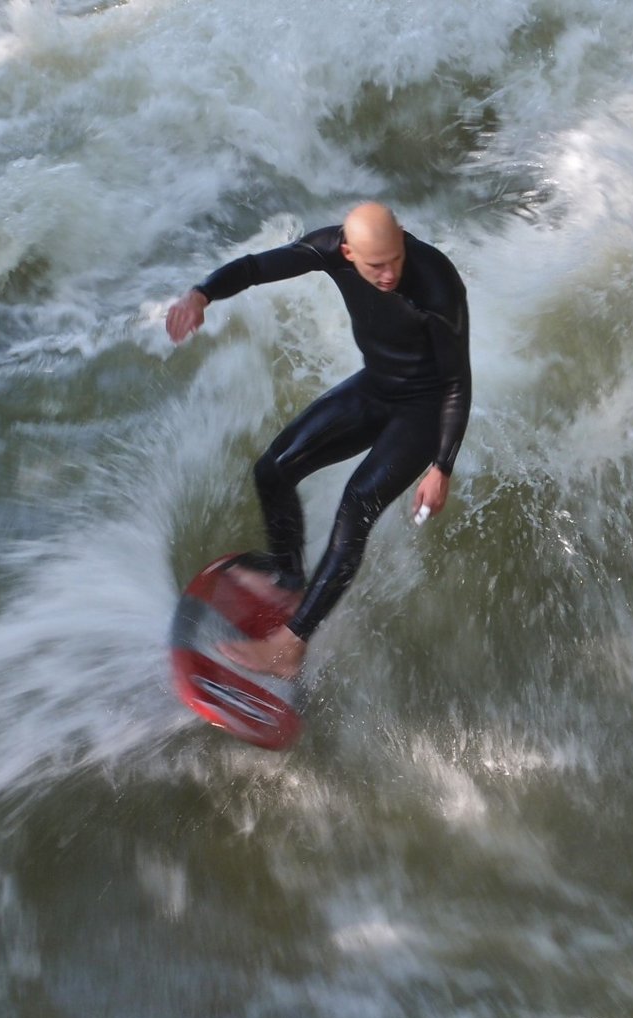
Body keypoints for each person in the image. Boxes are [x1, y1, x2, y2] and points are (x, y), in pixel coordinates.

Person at [165, 203, 471, 679]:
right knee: (274, 468)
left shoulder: (436, 284)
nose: (389, 274)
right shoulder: (330, 248)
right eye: (375, 265)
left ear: (404, 238)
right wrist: (202, 294)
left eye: (396, 258)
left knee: (357, 503)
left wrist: (442, 467)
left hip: (424, 411)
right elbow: (256, 267)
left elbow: (456, 381)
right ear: (348, 253)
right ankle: (288, 580)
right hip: (378, 385)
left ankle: (290, 646)